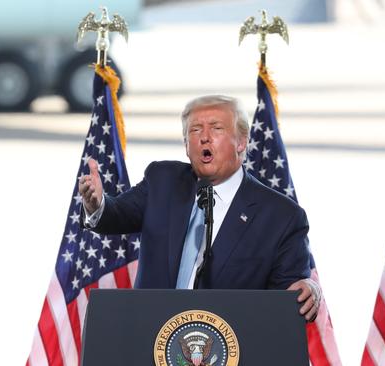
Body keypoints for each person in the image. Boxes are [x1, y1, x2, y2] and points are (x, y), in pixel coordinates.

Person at [78, 95, 320, 321]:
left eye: (216, 128)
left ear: (241, 142)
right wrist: (97, 204)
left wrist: (309, 289)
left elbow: (289, 297)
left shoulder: (280, 216)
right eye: (195, 130)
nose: (204, 137)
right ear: (186, 144)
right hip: (151, 340)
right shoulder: (163, 181)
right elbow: (116, 214)